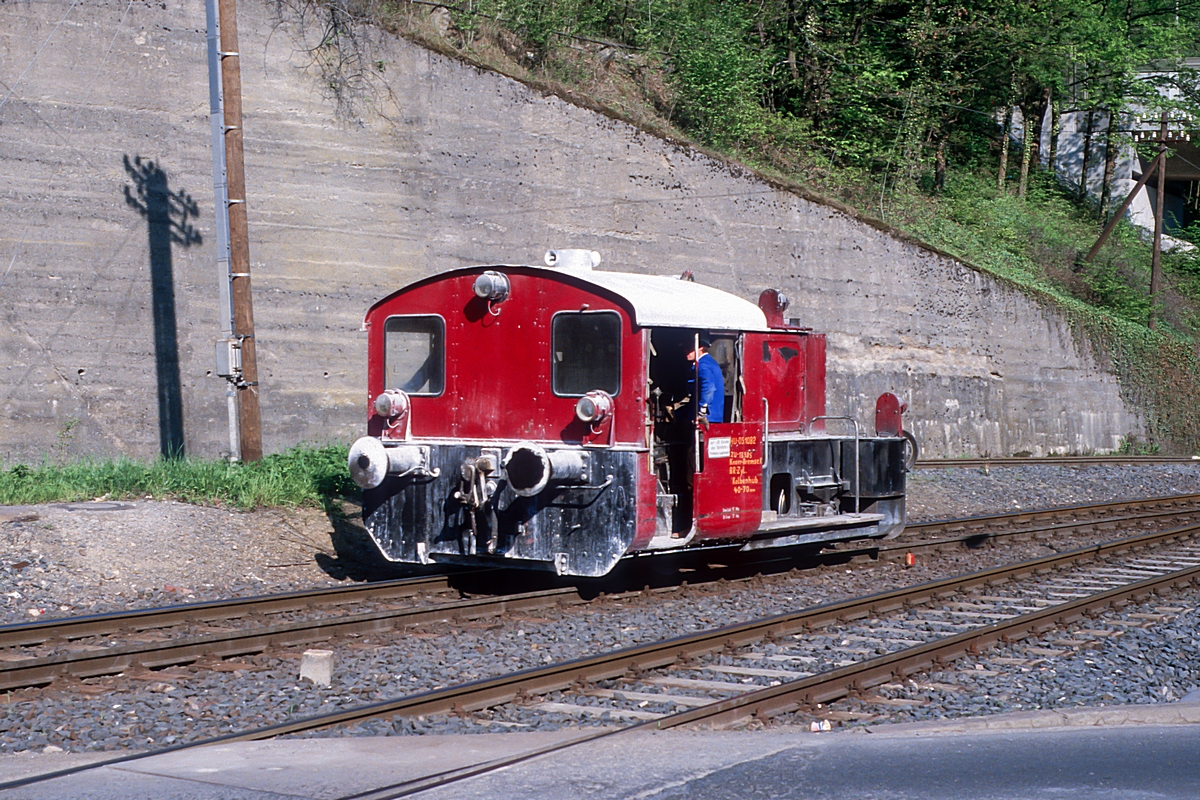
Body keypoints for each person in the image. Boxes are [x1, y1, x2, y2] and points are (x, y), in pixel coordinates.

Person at [687, 338, 725, 424]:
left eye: (690, 349)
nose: (686, 351)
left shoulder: (704, 365)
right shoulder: (709, 362)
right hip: (712, 415)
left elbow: (708, 387)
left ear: (700, 348)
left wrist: (702, 412)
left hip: (707, 418)